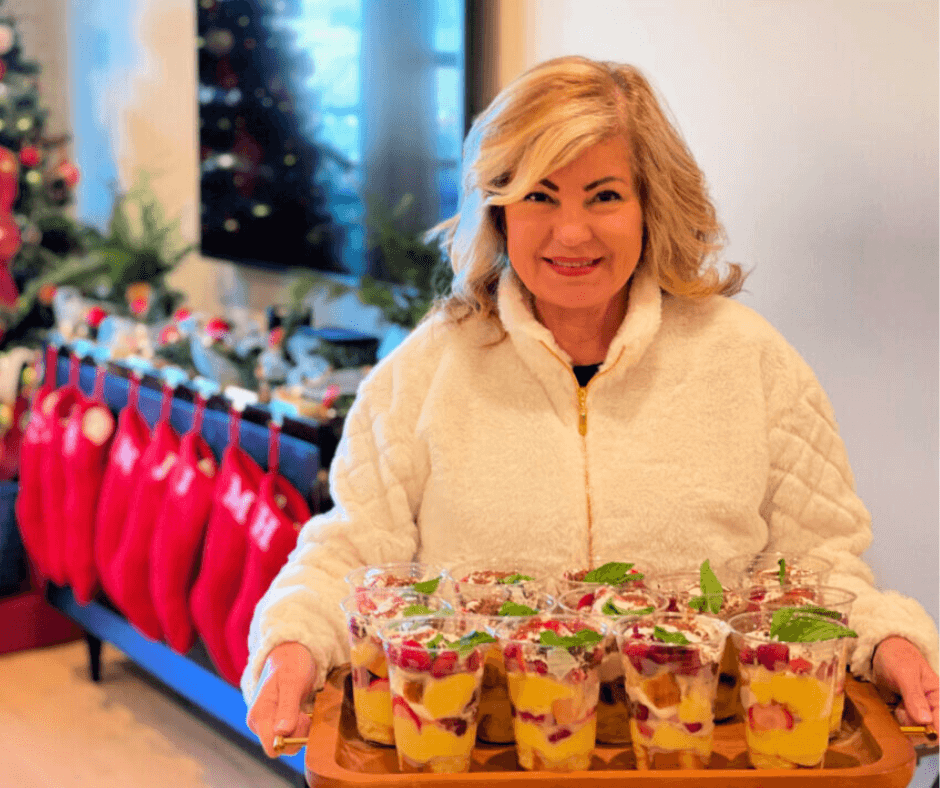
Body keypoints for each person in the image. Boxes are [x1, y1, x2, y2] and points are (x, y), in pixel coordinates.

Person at [244, 56, 939, 757]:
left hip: (708, 760)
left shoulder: (752, 362)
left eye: (604, 196)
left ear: (650, 204)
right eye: (540, 196)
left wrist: (889, 640)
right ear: (498, 209)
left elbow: (820, 569)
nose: (571, 233)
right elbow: (352, 558)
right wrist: (291, 647)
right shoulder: (421, 374)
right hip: (483, 757)